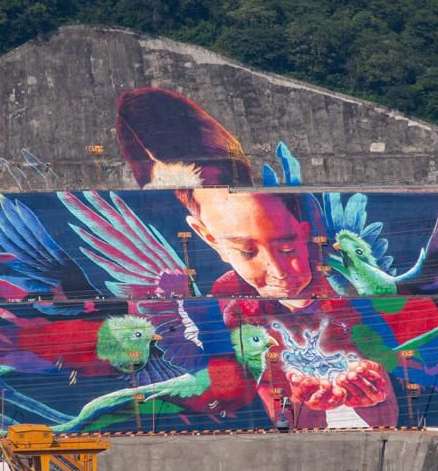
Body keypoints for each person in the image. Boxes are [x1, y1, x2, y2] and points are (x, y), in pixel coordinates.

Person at [114, 87, 397, 428]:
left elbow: (392, 402)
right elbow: (287, 419)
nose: (278, 271)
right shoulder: (234, 299)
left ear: (305, 229)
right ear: (208, 238)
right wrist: (304, 399)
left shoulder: (348, 277)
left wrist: (373, 391)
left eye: (288, 247)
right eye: (246, 251)